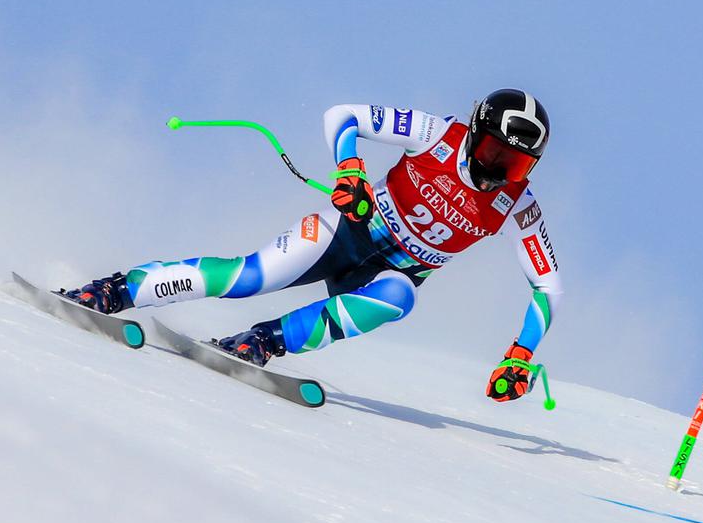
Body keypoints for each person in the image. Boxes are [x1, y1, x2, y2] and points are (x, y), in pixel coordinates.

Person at [66, 89, 562, 402]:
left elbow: (548, 288)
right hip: (349, 231)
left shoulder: (517, 203)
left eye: (516, 165)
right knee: (251, 278)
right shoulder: (437, 134)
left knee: (400, 298)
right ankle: (115, 291)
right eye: (495, 152)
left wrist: (520, 354)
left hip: (393, 272)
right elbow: (343, 115)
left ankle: (261, 343)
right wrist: (350, 167)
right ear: (475, 133)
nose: (499, 170)